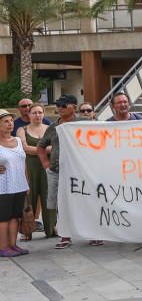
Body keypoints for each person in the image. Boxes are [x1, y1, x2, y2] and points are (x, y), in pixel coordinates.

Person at [37, 95, 78, 249]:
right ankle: (65, 236)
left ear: (74, 107)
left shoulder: (84, 123)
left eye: (64, 105)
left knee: (84, 201)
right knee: (61, 204)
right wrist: (46, 164)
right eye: (58, 105)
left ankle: (91, 234)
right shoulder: (53, 127)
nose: (60, 108)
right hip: (57, 171)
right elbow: (40, 146)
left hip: (79, 172)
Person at [15, 104, 48, 239]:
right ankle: (27, 230)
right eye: (34, 113)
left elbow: (57, 146)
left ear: (44, 114)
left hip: (47, 166)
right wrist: (46, 150)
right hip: (29, 166)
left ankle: (51, 228)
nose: (37, 115)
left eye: (40, 112)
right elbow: (25, 148)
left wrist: (36, 150)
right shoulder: (21, 130)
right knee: (29, 197)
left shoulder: (50, 128)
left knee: (48, 196)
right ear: (29, 115)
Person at [0, 110, 29, 257]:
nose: (10, 123)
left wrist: (27, 183)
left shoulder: (18, 140)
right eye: (5, 121)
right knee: (3, 217)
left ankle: (13, 245)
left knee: (15, 216)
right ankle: (3, 247)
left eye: (11, 120)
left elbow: (23, 163)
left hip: (19, 184)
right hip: (3, 187)